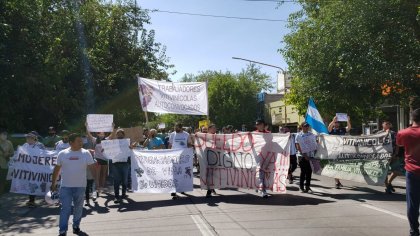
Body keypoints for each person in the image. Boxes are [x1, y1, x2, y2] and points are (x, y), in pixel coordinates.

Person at [51, 133, 97, 236]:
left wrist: (96, 182)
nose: (81, 143)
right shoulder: (62, 154)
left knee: (78, 208)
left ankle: (76, 225)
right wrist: (53, 183)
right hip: (65, 187)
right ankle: (62, 231)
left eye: (81, 141)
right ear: (71, 143)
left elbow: (93, 168)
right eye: (78, 141)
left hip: (80, 187)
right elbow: (56, 170)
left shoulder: (86, 153)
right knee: (65, 209)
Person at [396, 108, 420, 236]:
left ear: (412, 119)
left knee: (413, 203)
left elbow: (399, 145)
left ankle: (414, 230)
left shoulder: (403, 133)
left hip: (412, 172)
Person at [168, 123, 193, 199]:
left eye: (177, 128)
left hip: (183, 158)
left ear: (181, 128)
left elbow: (189, 144)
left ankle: (182, 188)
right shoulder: (172, 134)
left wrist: (191, 148)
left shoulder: (186, 134)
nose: (175, 129)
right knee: (174, 173)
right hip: (174, 157)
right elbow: (170, 145)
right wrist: (168, 153)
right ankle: (173, 191)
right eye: (175, 127)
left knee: (182, 173)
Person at [376, 121, 401, 194]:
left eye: (388, 124)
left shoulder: (393, 133)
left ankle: (389, 182)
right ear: (382, 125)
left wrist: (396, 154)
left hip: (393, 155)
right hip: (383, 156)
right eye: (385, 124)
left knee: (396, 171)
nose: (387, 125)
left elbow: (397, 144)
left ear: (390, 125)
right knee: (384, 172)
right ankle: (387, 186)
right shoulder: (379, 133)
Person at [328, 115, 351, 189]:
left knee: (341, 167)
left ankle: (338, 181)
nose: (337, 123)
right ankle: (336, 182)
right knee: (335, 166)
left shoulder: (342, 129)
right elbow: (329, 128)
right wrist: (333, 120)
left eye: (338, 122)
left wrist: (348, 120)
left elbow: (349, 128)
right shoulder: (332, 130)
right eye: (336, 122)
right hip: (334, 150)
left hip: (342, 150)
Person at [23, 131, 45, 207]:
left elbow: (44, 155)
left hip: (37, 168)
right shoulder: (25, 145)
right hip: (27, 168)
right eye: (27, 138)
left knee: (34, 182)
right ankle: (31, 200)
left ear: (34, 138)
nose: (28, 139)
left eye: (29, 138)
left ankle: (32, 200)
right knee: (30, 183)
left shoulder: (40, 145)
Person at [295, 122, 317, 193]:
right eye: (305, 126)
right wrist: (304, 155)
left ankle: (307, 186)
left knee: (309, 172)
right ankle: (301, 186)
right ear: (302, 127)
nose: (306, 127)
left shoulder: (311, 134)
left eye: (307, 126)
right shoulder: (298, 135)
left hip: (310, 156)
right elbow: (298, 146)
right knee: (303, 171)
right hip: (302, 156)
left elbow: (315, 143)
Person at [0, 129, 14, 194]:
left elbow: (12, 153)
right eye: (3, 134)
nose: (5, 136)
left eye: (5, 134)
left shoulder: (9, 143)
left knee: (2, 180)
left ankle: (1, 192)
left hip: (4, 164)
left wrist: (8, 154)